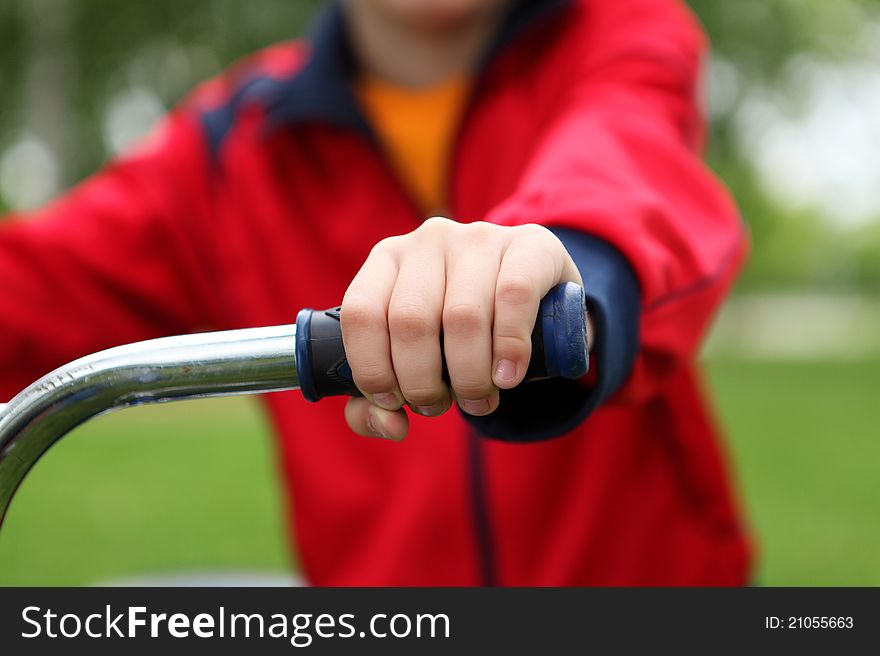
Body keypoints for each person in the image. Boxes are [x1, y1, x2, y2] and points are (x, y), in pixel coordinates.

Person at [0, 0, 752, 585]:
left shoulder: (615, 31)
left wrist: (553, 258)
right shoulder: (236, 144)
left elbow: (629, 164)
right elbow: (31, 292)